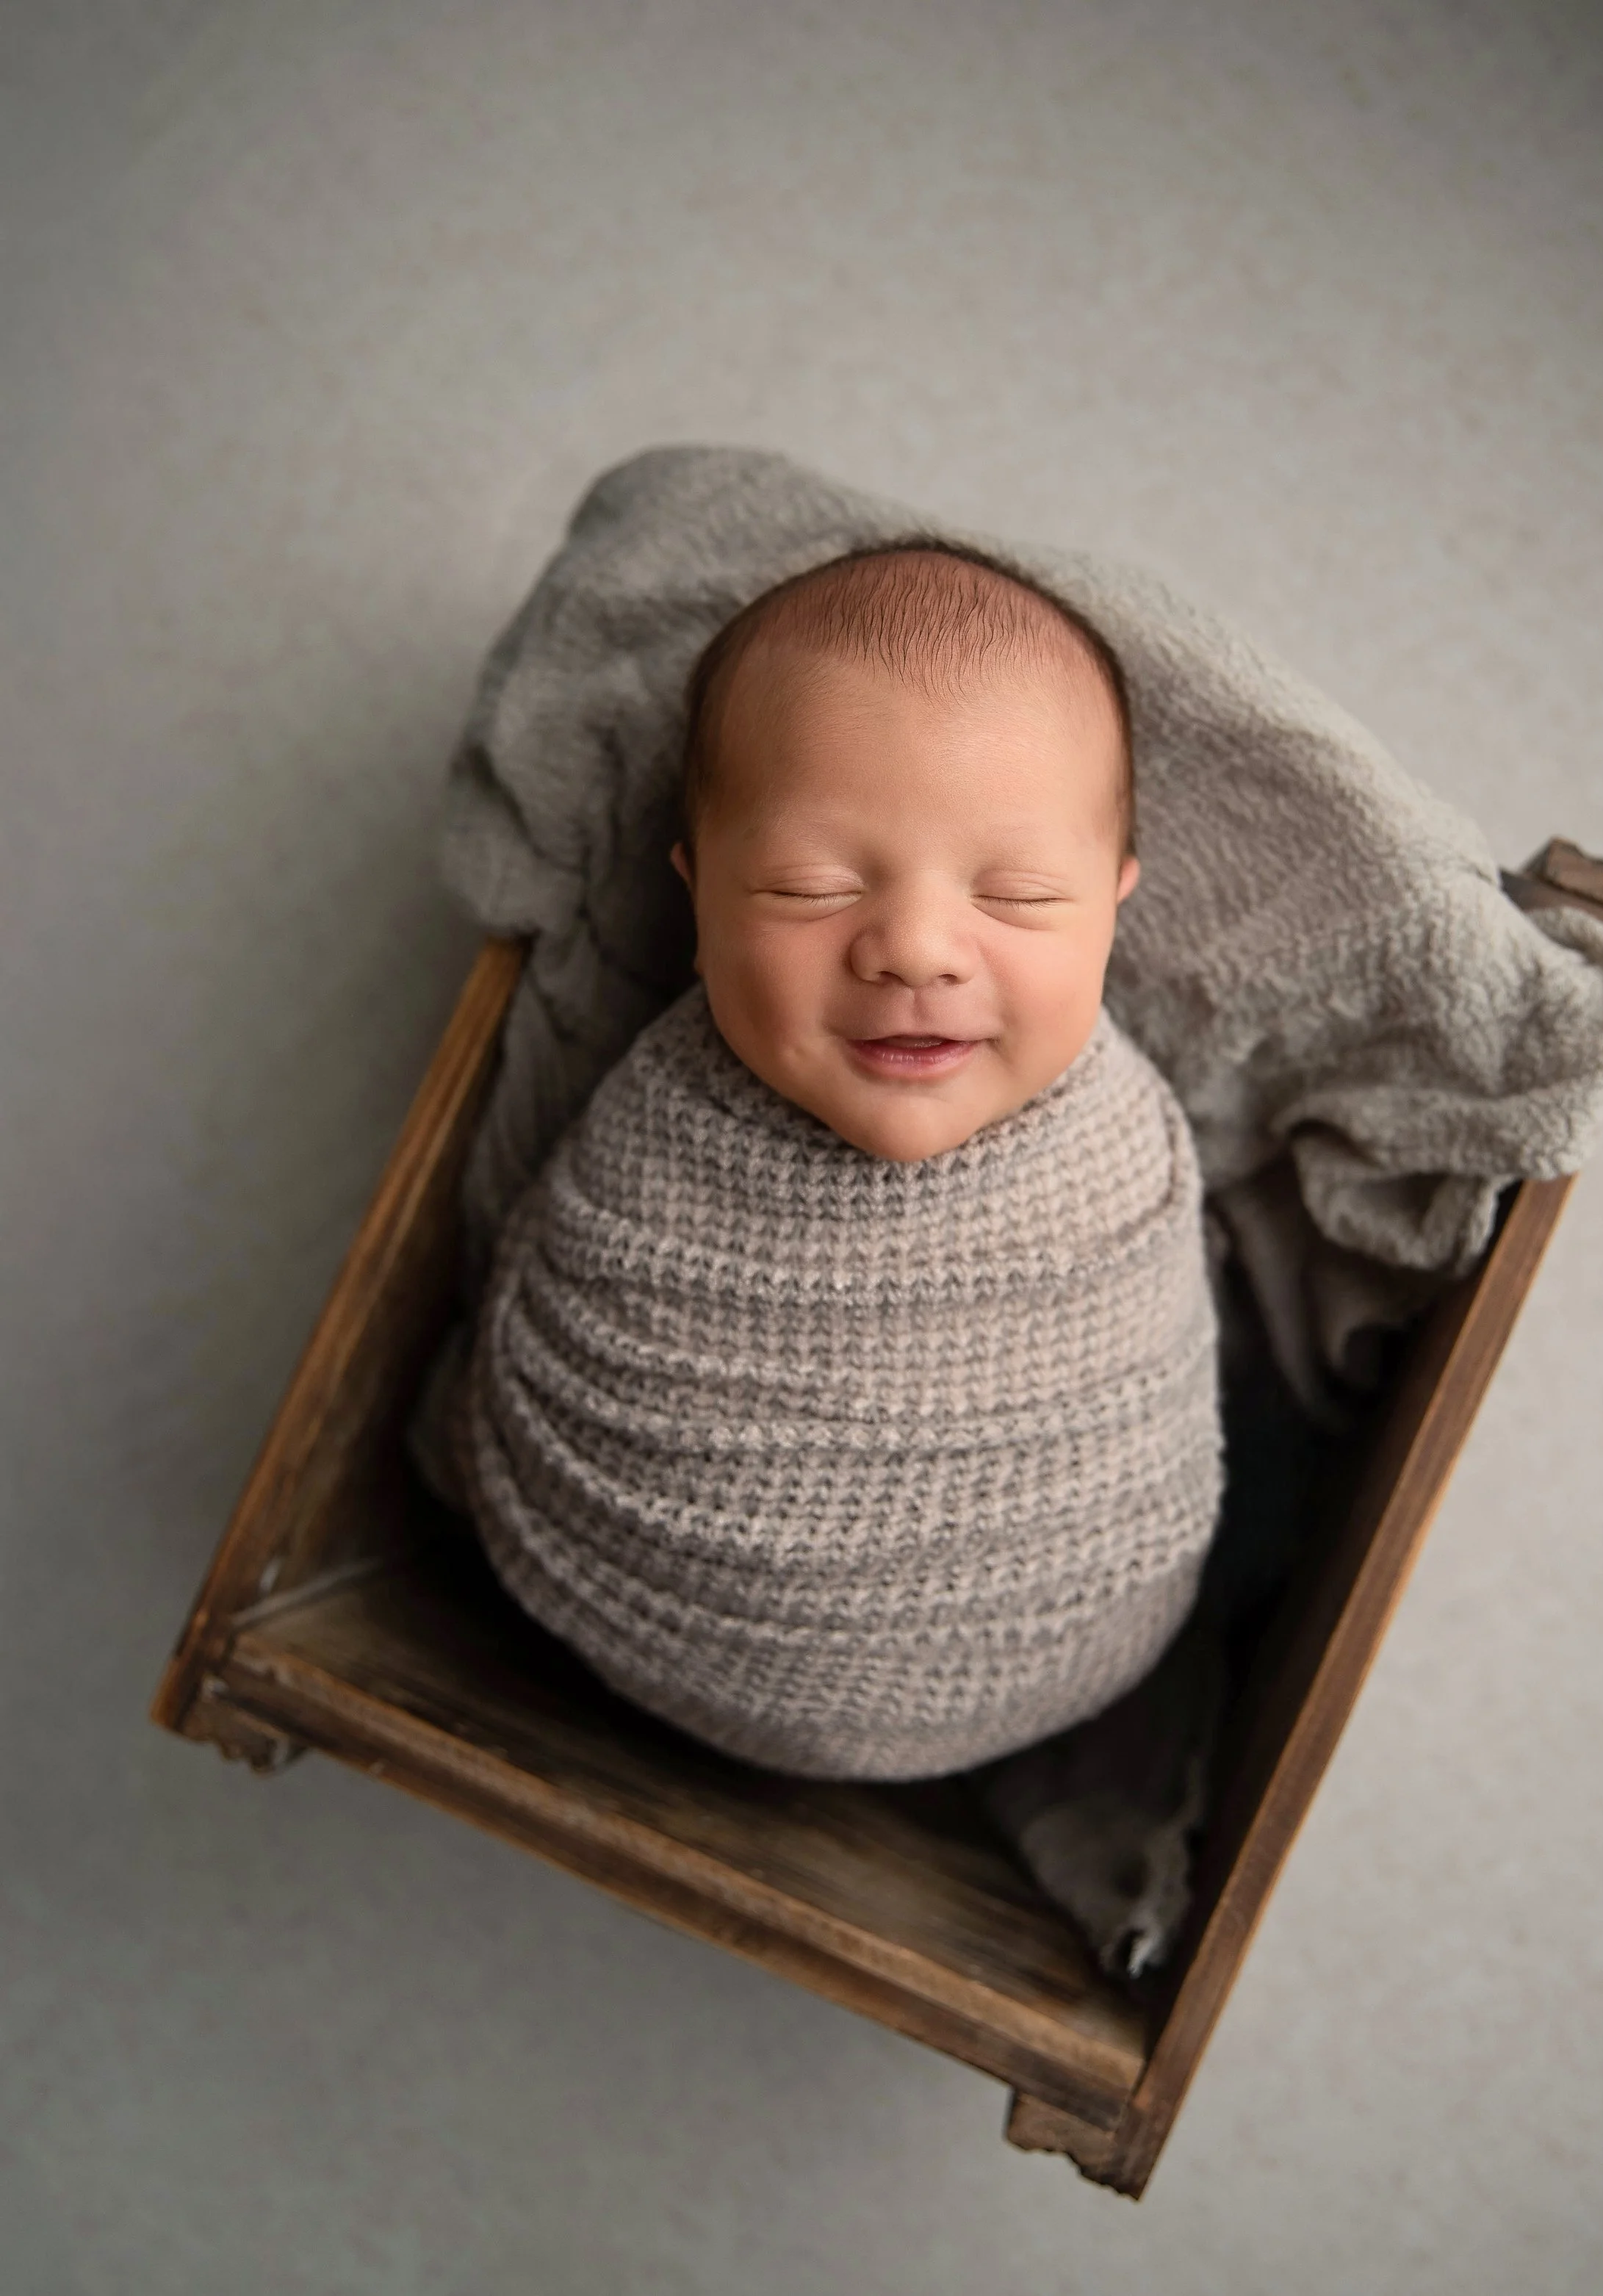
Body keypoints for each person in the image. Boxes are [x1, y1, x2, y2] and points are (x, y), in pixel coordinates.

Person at [461, 543, 1224, 1780]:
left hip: (1071, 1651)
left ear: (1113, 905)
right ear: (699, 897)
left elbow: (1163, 1394)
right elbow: (557, 1319)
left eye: (1021, 895)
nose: (916, 949)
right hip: (634, 1633)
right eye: (809, 887)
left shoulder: (1124, 1156)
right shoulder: (651, 1133)